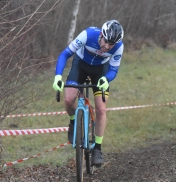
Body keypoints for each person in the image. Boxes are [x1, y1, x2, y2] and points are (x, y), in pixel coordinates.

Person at [52, 20, 124, 165]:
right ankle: (73, 122)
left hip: (100, 71)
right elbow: (64, 55)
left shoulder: (118, 47)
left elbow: (113, 70)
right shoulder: (87, 35)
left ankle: (97, 148)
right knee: (68, 100)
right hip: (80, 66)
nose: (107, 47)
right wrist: (58, 76)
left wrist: (106, 79)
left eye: (111, 45)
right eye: (106, 42)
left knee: (101, 109)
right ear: (101, 35)